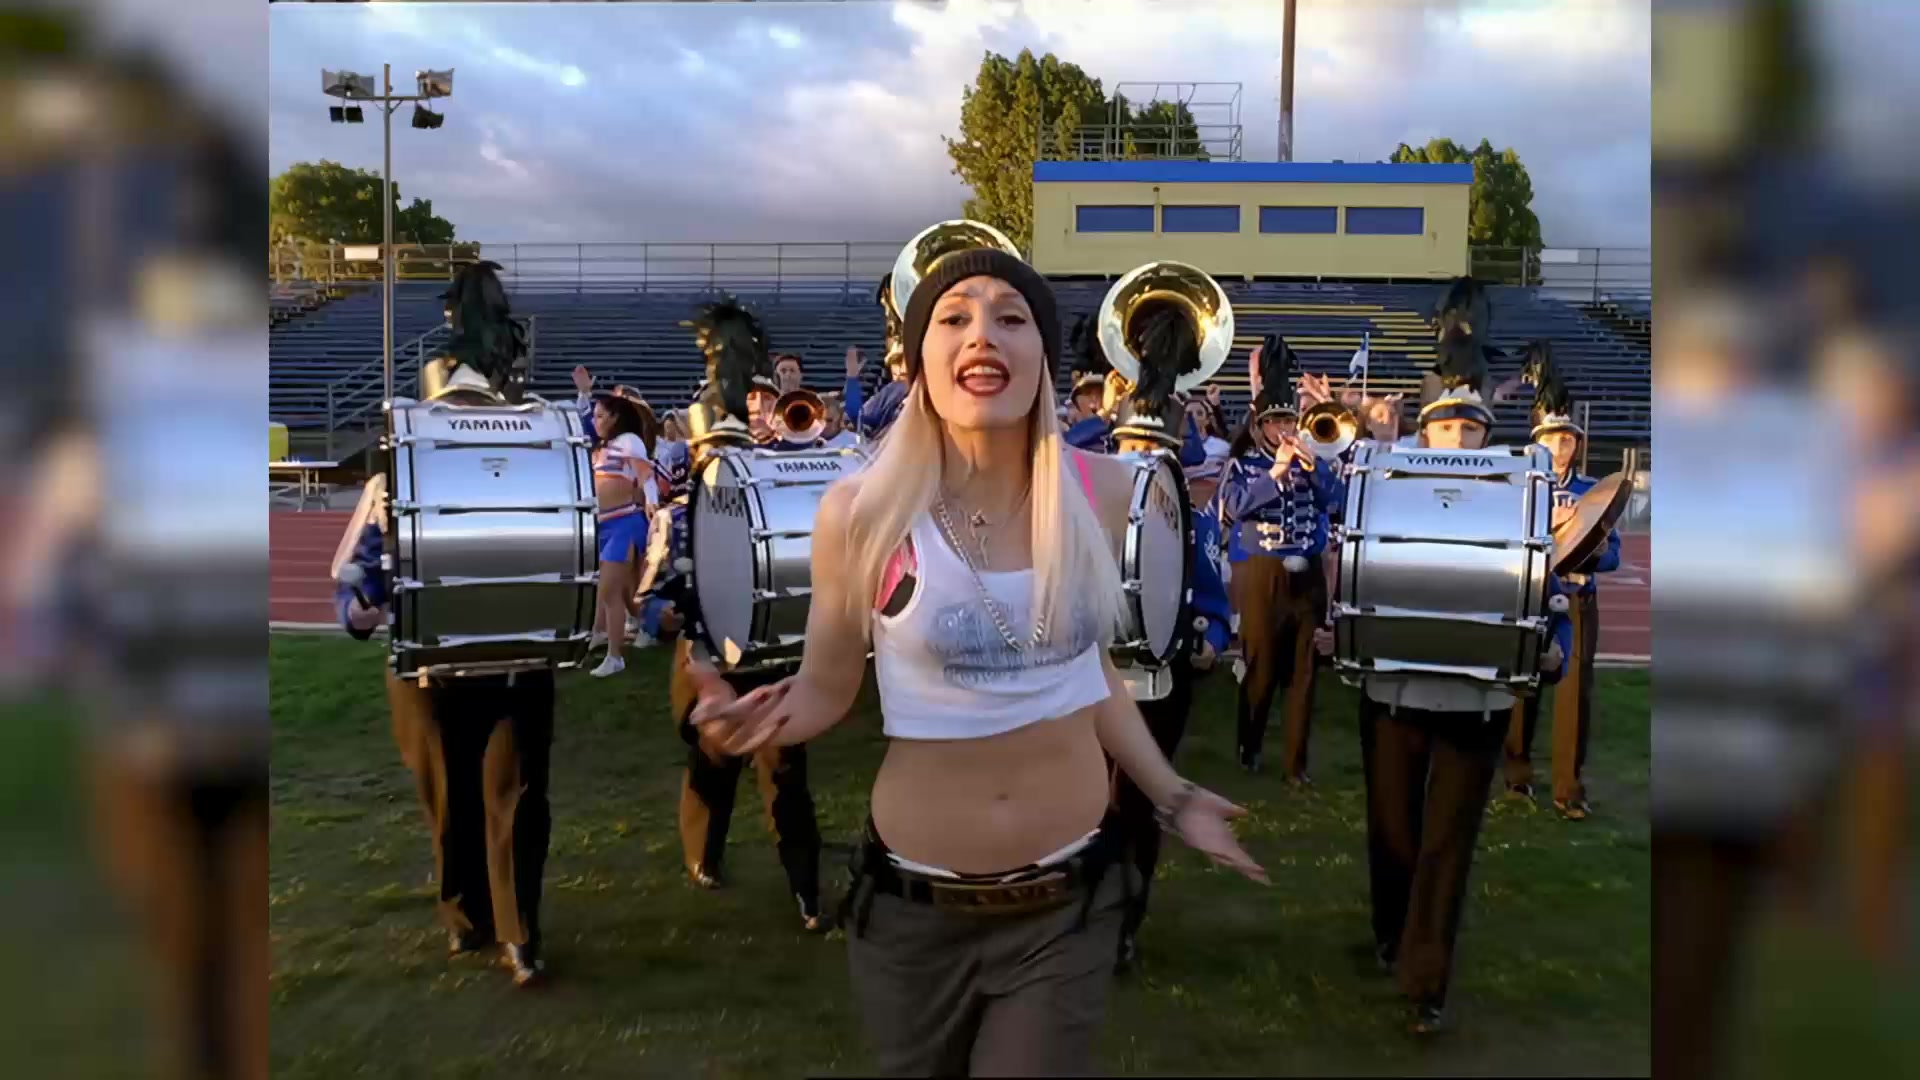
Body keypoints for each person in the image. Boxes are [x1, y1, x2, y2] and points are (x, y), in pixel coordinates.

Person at [687, 245, 1265, 1076]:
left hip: (1065, 908)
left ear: (1043, 358)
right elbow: (827, 687)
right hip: (912, 914)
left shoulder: (1107, 495)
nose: (982, 334)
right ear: (921, 358)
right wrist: (751, 722)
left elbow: (1089, 672)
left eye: (1010, 317)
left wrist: (1172, 797)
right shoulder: (861, 511)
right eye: (954, 317)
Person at [1325, 379, 1572, 1036]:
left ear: (1486, 438)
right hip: (1394, 687)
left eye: (1470, 430)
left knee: (1448, 841)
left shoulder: (1518, 495)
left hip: (1478, 695)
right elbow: (1355, 545)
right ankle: (1390, 931)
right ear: (1425, 434)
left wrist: (1556, 650)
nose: (1458, 439)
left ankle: (1426, 983)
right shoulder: (1384, 482)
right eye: (1446, 428)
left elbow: (1542, 578)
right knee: (1393, 826)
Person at [338, 301, 555, 987]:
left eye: (475, 405)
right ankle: (464, 914)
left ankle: (520, 933)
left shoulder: (536, 468)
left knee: (518, 798)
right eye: (453, 407)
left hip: (517, 661)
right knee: (450, 805)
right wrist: (360, 607)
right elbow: (359, 574)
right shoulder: (392, 480)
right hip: (429, 671)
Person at [667, 297, 828, 932]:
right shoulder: (693, 490)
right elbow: (674, 585)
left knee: (786, 769)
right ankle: (702, 855)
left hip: (773, 643)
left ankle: (807, 888)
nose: (759, 407)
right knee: (716, 759)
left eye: (764, 400)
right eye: (752, 399)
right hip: (710, 648)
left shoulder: (775, 473)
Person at [1217, 338, 1344, 780]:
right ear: (1260, 427)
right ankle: (1249, 746)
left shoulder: (1316, 461)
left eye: (1289, 419)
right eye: (1275, 422)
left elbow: (1337, 502)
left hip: (1307, 572)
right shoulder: (1244, 464)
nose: (1283, 428)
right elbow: (1232, 507)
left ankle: (1296, 764)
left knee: (1305, 669)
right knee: (1262, 664)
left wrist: (1315, 467)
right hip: (1262, 572)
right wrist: (1276, 473)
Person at [1503, 344, 1620, 818]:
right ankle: (1516, 774)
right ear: (1537, 442)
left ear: (1577, 444)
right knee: (1522, 685)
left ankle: (1569, 788)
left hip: (1576, 596)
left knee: (1574, 694)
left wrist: (1586, 546)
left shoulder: (1594, 491)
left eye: (1568, 439)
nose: (1560, 447)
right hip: (1530, 594)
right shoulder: (1518, 487)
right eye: (1552, 439)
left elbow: (1613, 556)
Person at [572, 365, 658, 677]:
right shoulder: (603, 447)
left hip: (624, 522)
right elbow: (579, 424)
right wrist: (583, 394)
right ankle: (634, 627)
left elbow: (645, 473)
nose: (595, 421)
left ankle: (615, 656)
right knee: (616, 590)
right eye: (594, 416)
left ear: (615, 418)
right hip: (604, 524)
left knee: (610, 590)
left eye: (600, 416)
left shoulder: (630, 441)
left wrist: (651, 500)